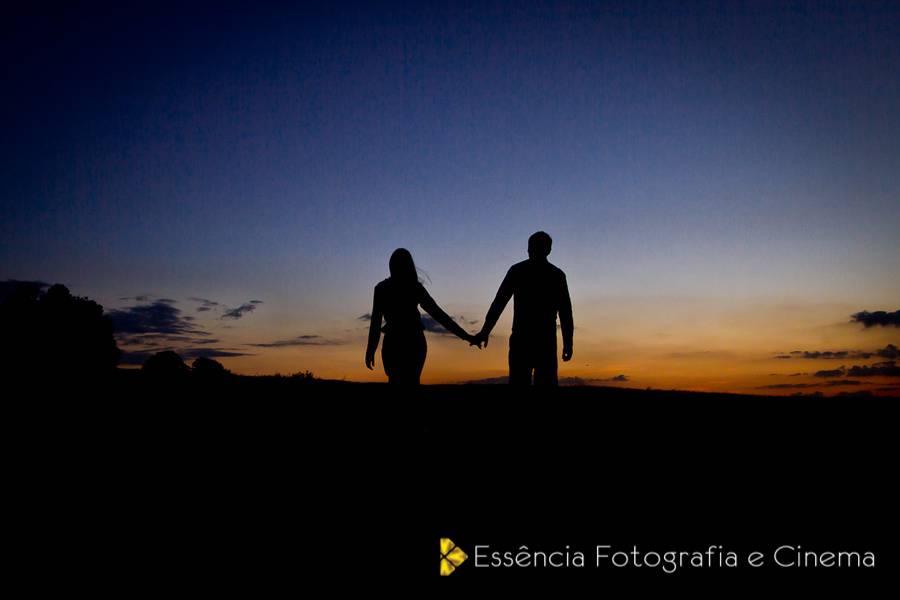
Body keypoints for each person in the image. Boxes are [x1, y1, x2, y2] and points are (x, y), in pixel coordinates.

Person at [365, 248, 479, 384]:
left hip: (400, 343)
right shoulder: (411, 287)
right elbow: (439, 315)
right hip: (409, 342)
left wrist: (371, 349)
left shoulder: (384, 289)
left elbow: (438, 314)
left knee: (398, 382)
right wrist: (466, 336)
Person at [474, 231, 573, 386]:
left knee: (523, 385)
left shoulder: (521, 271)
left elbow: (499, 303)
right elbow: (566, 313)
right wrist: (568, 343)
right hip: (538, 340)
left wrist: (485, 331)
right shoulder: (555, 275)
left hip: (529, 339)